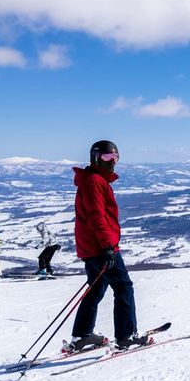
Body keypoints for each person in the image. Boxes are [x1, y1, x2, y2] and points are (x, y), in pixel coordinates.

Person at [67, 140, 150, 352]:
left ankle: (82, 335)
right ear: (95, 158)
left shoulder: (94, 180)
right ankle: (126, 336)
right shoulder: (94, 181)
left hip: (91, 246)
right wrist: (108, 246)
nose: (112, 162)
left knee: (96, 289)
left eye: (115, 157)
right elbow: (97, 216)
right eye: (106, 157)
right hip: (100, 247)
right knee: (124, 287)